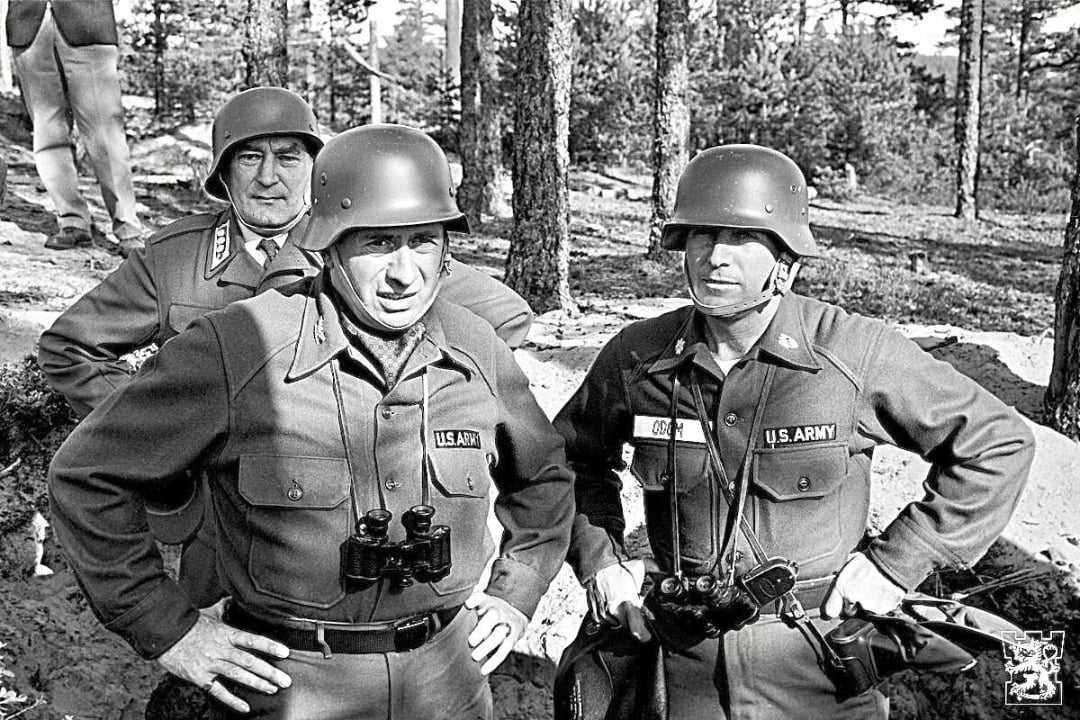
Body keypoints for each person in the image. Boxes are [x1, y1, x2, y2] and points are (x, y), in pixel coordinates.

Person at [47, 124, 574, 719]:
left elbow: (545, 480)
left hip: (446, 682)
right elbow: (87, 475)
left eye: (423, 241)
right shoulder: (240, 345)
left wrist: (517, 592)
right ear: (330, 243)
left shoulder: (476, 348)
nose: (405, 273)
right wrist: (169, 629)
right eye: (377, 243)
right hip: (286, 686)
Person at [556, 144, 1035, 719]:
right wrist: (600, 560)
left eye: (741, 239)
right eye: (702, 236)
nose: (715, 258)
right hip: (685, 669)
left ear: (786, 258)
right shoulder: (639, 359)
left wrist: (897, 562)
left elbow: (997, 442)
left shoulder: (851, 353)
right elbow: (571, 460)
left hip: (818, 663)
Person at [37, 86, 534, 608]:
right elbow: (69, 348)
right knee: (210, 659)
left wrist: (407, 396)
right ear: (223, 174)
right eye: (249, 157)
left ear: (317, 169)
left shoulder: (360, 242)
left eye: (288, 158)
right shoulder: (175, 259)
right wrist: (162, 423)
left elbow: (507, 318)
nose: (268, 177)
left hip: (332, 507)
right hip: (216, 511)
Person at [6, 0, 145, 254]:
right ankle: (72, 222)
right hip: (28, 25)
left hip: (88, 22)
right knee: (47, 131)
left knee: (105, 132)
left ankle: (128, 227)